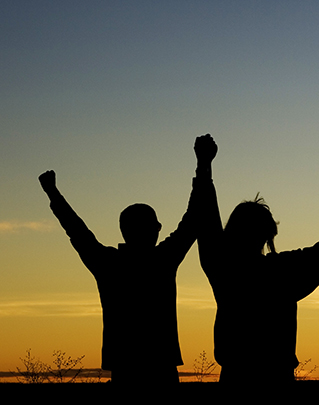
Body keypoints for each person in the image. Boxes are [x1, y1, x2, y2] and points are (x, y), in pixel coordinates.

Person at [38, 135, 211, 383]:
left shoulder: (109, 264)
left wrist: (53, 193)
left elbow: (76, 230)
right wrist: (203, 164)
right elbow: (194, 218)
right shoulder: (161, 260)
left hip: (126, 367)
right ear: (156, 228)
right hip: (159, 366)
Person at [194, 135, 319, 382]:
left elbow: (206, 220)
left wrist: (204, 165)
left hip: (236, 376)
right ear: (268, 234)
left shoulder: (223, 268)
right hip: (276, 377)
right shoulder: (280, 272)